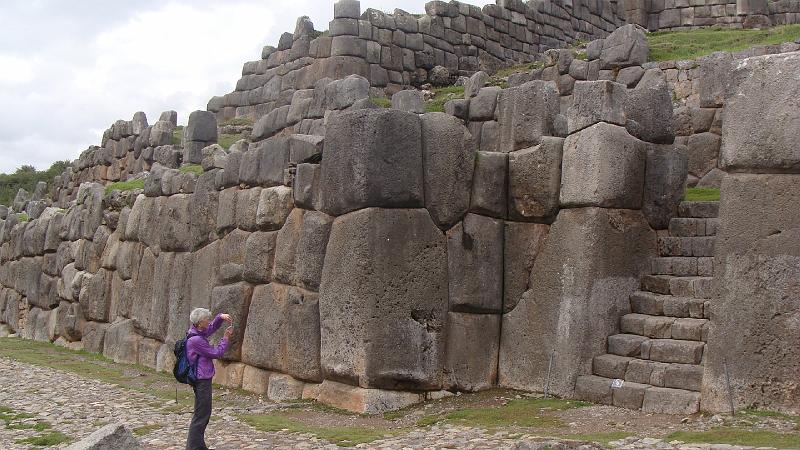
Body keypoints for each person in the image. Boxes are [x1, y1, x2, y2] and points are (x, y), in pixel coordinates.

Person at [185, 308, 233, 450]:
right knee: (202, 414)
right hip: (201, 380)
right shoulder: (197, 340)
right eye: (207, 319)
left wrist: (220, 317)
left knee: (203, 413)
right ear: (200, 323)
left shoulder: (195, 332)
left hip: (202, 378)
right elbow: (217, 353)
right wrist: (225, 338)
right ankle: (193, 447)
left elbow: (211, 328)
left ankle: (198, 445)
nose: (209, 321)